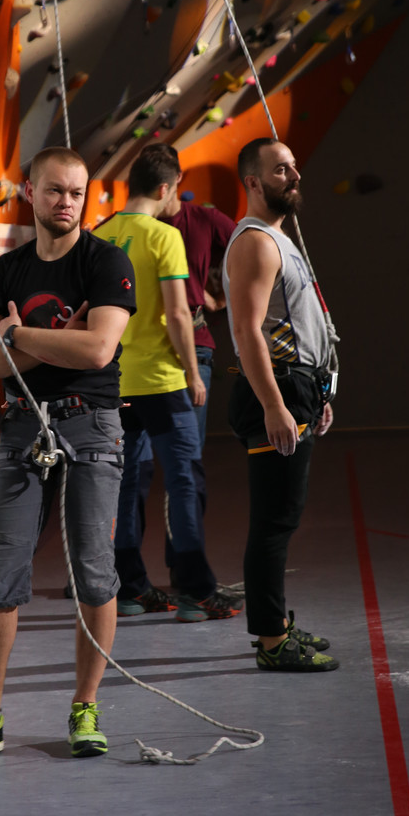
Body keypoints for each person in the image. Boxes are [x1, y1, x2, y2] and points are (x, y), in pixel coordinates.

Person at [0, 147, 136, 760]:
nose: (66, 202)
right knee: (0, 569)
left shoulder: (106, 262)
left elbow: (98, 351)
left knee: (93, 570)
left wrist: (17, 333)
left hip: (90, 425)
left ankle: (85, 706)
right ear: (30, 192)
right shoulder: (4, 272)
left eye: (76, 192)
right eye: (54, 190)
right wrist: (54, 340)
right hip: (23, 426)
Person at [93, 145, 241, 623]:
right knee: (183, 479)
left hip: (116, 383)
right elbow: (178, 313)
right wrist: (193, 374)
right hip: (162, 380)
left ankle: (131, 590)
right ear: (164, 188)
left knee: (127, 481)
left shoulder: (99, 236)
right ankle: (196, 592)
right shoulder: (164, 236)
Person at [222, 138, 339, 672]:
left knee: (282, 517)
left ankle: (277, 626)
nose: (294, 175)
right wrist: (275, 404)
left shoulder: (279, 238)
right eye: (280, 169)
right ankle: (271, 641)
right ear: (252, 182)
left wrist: (318, 394)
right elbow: (248, 331)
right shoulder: (255, 242)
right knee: (273, 521)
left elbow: (296, 324)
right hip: (278, 390)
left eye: (293, 166)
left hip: (298, 389)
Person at [156, 144, 236, 589]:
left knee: (186, 466)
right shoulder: (137, 226)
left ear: (176, 183)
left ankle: (184, 573)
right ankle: (120, 576)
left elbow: (250, 251)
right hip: (146, 353)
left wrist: (218, 297)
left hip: (195, 350)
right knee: (131, 470)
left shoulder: (204, 219)